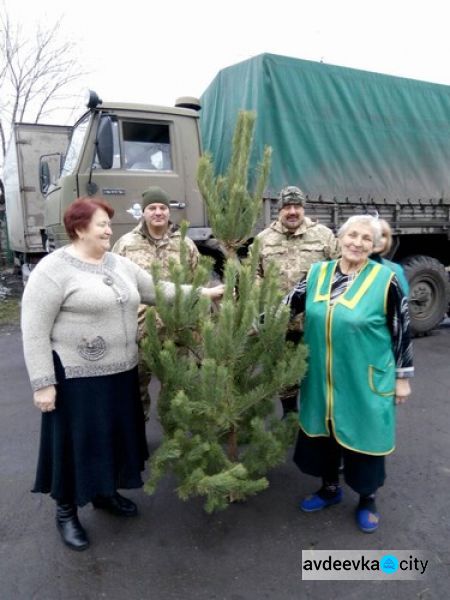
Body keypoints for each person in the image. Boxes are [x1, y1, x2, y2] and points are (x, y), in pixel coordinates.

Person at [21, 197, 223, 552]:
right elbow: (34, 330)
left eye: (108, 224)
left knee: (112, 438)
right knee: (75, 443)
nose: (108, 231)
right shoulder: (53, 270)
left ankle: (104, 494)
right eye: (101, 224)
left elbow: (159, 291)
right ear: (80, 228)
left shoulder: (118, 264)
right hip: (74, 378)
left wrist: (204, 292)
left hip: (120, 372)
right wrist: (43, 383)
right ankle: (66, 511)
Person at [283, 214, 413, 533]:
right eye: (351, 235)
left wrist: (402, 378)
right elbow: (286, 307)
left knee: (364, 436)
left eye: (366, 238)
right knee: (323, 435)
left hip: (364, 378)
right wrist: (245, 321)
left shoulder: (386, 281)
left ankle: (367, 498)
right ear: (339, 239)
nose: (357, 242)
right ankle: (330, 489)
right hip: (320, 378)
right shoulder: (316, 273)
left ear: (375, 245)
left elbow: (402, 330)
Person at [112, 186, 200, 420]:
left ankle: (175, 437)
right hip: (139, 332)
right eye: (152, 208)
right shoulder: (125, 245)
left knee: (176, 390)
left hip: (177, 332)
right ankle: (136, 442)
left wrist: (197, 327)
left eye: (163, 207)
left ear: (169, 212)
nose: (158, 212)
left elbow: (195, 285)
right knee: (135, 390)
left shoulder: (185, 245)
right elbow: (113, 286)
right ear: (143, 212)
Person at [252, 185, 340, 416]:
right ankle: (290, 416)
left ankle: (319, 416)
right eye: (287, 207)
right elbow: (253, 274)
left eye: (297, 206)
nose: (292, 211)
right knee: (285, 372)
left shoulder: (323, 235)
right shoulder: (263, 239)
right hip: (280, 322)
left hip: (316, 321)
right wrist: (264, 298)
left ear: (303, 208)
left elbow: (342, 270)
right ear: (279, 210)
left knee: (319, 370)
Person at [371, 218, 409, 295]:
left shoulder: (395, 270)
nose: (378, 239)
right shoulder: (349, 267)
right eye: (374, 234)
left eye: (383, 235)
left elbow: (402, 302)